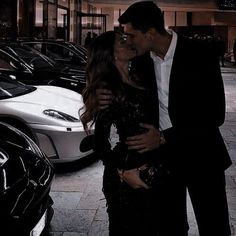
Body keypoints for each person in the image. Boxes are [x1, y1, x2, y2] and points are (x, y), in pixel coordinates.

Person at [98, 1, 232, 235]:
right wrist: (100, 92)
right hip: (163, 162)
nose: (128, 41)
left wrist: (163, 137)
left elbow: (215, 114)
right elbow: (113, 74)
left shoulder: (200, 54)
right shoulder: (139, 61)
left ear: (149, 33)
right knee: (172, 226)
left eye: (131, 35)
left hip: (203, 155)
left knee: (214, 226)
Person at [80, 30, 166, 236]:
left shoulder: (138, 75)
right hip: (126, 175)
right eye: (122, 42)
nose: (129, 43)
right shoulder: (107, 90)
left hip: (151, 163)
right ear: (111, 54)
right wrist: (122, 172)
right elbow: (100, 143)